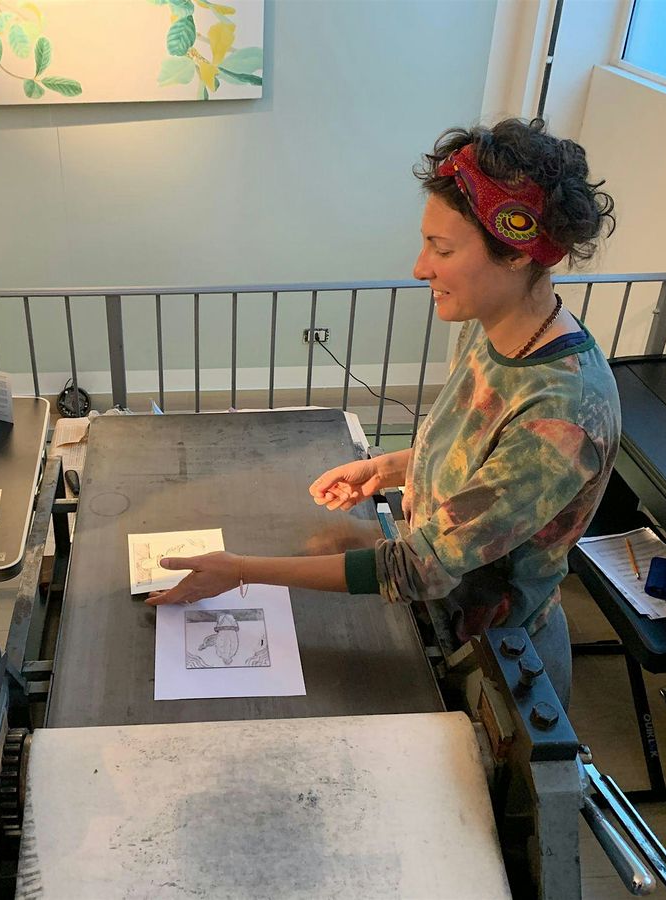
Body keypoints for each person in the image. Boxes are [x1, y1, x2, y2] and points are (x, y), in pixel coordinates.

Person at [147, 119, 620, 706]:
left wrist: (240, 570)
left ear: (518, 253)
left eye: (442, 250)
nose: (421, 268)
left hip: (491, 658)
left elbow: (417, 568)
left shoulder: (563, 416)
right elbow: (477, 454)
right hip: (437, 618)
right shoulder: (496, 328)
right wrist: (389, 468)